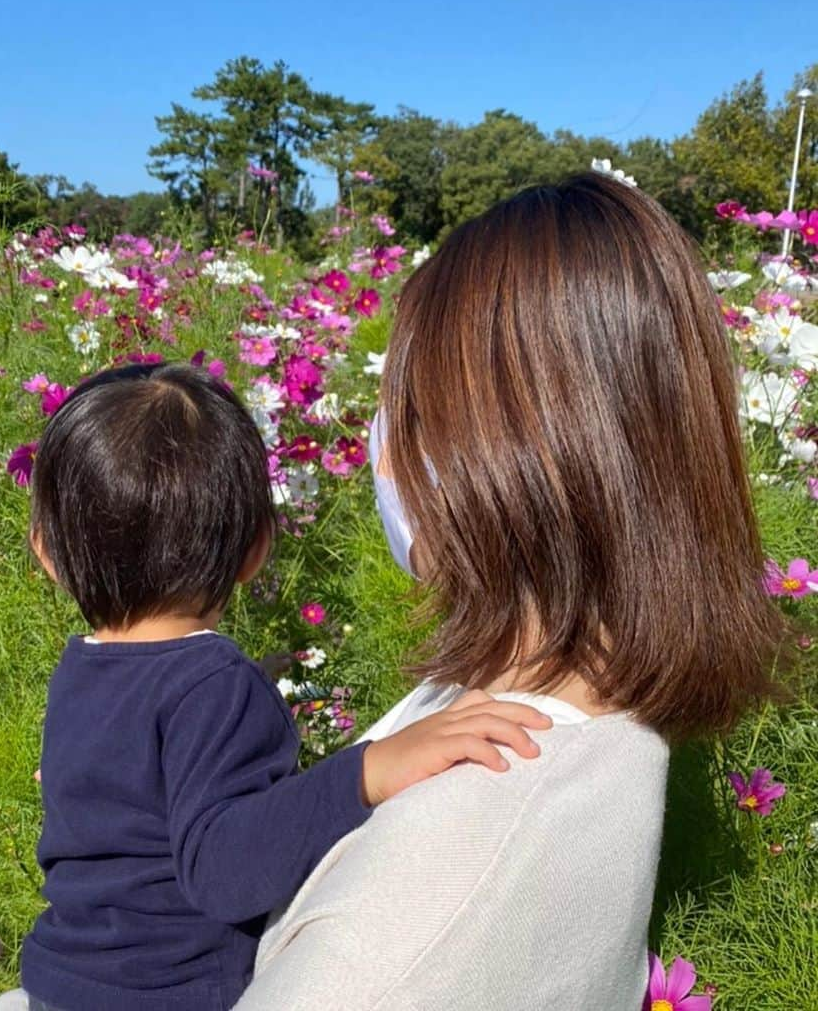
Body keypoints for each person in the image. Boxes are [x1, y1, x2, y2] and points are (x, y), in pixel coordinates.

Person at [235, 172, 784, 1009]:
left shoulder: (401, 939)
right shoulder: (596, 723)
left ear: (500, 460)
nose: (380, 453)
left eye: (404, 412)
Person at [0, 363, 551, 1011]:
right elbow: (225, 869)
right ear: (258, 547)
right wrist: (368, 770)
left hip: (61, 981)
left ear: (47, 555)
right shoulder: (214, 685)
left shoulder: (80, 671)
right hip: (167, 994)